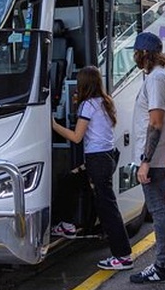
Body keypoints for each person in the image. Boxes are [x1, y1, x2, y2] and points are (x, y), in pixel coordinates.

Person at [51, 66, 134, 271]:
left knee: (108, 209)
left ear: (84, 84)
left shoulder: (87, 105)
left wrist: (52, 124)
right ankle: (68, 225)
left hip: (98, 161)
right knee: (70, 181)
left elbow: (76, 137)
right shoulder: (104, 102)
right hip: (107, 157)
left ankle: (123, 256)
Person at [129, 31, 165, 284]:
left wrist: (145, 160)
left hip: (156, 158)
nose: (134, 57)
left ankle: (162, 266)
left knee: (160, 210)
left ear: (145, 54)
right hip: (163, 156)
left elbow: (156, 122)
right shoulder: (163, 76)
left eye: (136, 52)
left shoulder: (156, 79)